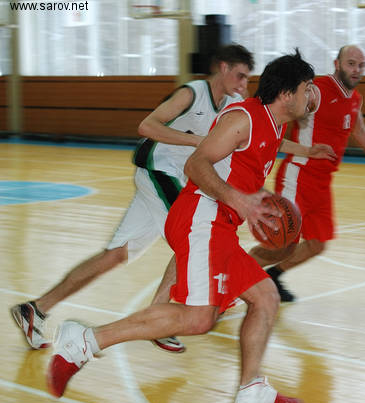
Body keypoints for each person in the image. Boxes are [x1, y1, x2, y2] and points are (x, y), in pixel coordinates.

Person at [46, 50, 332, 403]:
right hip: (201, 216)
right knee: (199, 319)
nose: (311, 95)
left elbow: (252, 160)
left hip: (220, 226)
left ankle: (252, 392)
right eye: (307, 87)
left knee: (266, 297)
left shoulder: (274, 125)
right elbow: (197, 164)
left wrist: (262, 193)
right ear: (286, 93)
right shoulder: (242, 118)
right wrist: (238, 200)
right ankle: (83, 342)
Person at [10, 44, 255, 354]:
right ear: (223, 68)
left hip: (175, 179)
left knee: (116, 255)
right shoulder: (192, 93)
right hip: (157, 171)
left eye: (247, 79)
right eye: (240, 76)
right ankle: (160, 317)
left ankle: (36, 309)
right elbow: (146, 126)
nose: (244, 84)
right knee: (196, 234)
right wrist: (195, 140)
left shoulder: (233, 104)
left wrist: (304, 151)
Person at [248, 44, 365, 303]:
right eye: (351, 63)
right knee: (281, 243)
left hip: (322, 183)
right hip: (299, 175)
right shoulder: (317, 90)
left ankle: (274, 276)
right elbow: (284, 108)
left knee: (317, 244)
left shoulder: (355, 99)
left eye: (361, 65)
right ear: (337, 64)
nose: (356, 70)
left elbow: (360, 130)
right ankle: (231, 280)